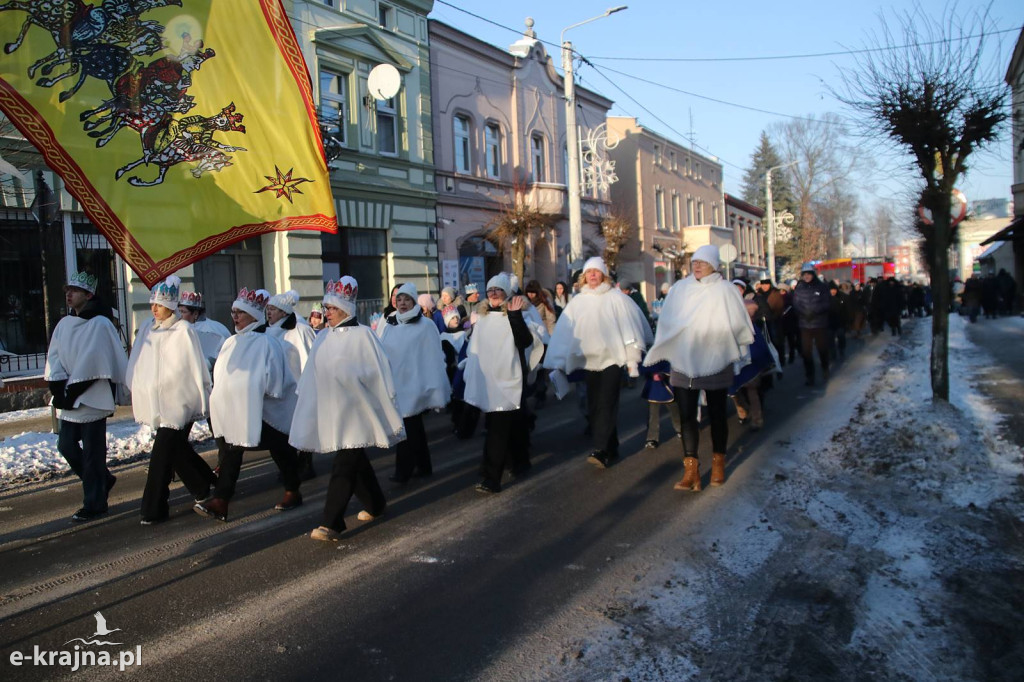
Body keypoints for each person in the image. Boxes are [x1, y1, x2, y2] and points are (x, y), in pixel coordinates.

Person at [289, 277, 403, 543]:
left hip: (357, 411)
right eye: (326, 308)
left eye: (331, 308)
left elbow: (379, 371)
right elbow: (312, 373)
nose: (326, 313)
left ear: (345, 309)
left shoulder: (364, 336)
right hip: (334, 411)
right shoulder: (322, 337)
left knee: (344, 463)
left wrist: (380, 396)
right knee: (354, 459)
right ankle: (375, 503)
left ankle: (332, 522)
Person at [644, 244, 754, 491]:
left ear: (714, 265)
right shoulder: (680, 288)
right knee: (686, 415)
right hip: (684, 360)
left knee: (717, 413)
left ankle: (718, 463)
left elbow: (738, 322)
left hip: (716, 359)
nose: (697, 266)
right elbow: (667, 319)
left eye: (702, 262)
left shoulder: (725, 290)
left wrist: (732, 345)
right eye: (694, 262)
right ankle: (691, 470)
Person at [194, 288, 303, 522]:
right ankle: (221, 501)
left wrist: (253, 393)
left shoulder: (267, 343)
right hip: (240, 411)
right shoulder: (230, 342)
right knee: (233, 450)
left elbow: (275, 381)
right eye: (233, 311)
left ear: (254, 316)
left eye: (240, 312)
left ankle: (293, 490)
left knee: (281, 450)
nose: (235, 316)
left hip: (268, 412)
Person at [544, 256, 653, 468]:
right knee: (594, 404)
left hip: (612, 360)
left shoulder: (616, 298)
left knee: (607, 401)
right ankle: (611, 446)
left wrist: (632, 358)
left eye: (596, 271)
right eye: (589, 272)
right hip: (589, 361)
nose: (592, 275)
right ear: (584, 277)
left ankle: (601, 449)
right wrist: (558, 361)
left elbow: (630, 327)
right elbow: (565, 332)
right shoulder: (578, 302)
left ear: (603, 275)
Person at [126, 275, 217, 525]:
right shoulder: (148, 329)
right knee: (175, 449)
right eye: (152, 303)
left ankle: (153, 507)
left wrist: (196, 395)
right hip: (156, 402)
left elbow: (194, 366)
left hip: (177, 401)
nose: (154, 309)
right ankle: (204, 485)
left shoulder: (183, 330)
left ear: (171, 305)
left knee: (161, 453)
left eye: (159, 304)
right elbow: (139, 361)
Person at [44, 272, 128, 522]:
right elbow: (54, 356)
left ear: (89, 295)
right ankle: (102, 481)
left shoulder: (101, 323)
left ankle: (95, 503)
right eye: (67, 290)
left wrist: (74, 390)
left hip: (92, 397)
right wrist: (58, 388)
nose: (69, 294)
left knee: (93, 454)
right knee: (66, 445)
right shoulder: (64, 324)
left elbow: (95, 360)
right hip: (68, 397)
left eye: (75, 291)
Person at [462, 273, 535, 493]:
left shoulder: (514, 314)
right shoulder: (482, 318)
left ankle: (491, 477)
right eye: (490, 290)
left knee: (498, 430)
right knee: (507, 426)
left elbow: (525, 341)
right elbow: (475, 349)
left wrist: (515, 316)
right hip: (489, 382)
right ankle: (520, 462)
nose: (494, 294)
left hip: (508, 380)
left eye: (498, 290)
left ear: (506, 293)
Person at [377, 282, 450, 483]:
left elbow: (433, 356)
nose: (402, 303)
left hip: (416, 384)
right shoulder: (391, 324)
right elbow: (383, 351)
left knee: (407, 427)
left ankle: (403, 471)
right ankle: (424, 465)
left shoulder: (425, 325)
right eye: (399, 299)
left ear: (414, 301)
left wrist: (433, 387)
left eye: (406, 299)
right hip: (398, 383)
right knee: (414, 427)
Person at [266, 289, 318, 479]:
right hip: (279, 389)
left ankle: (304, 465)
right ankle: (288, 468)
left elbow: (311, 357)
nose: (268, 312)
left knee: (302, 429)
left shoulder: (301, 330)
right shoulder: (266, 331)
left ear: (283, 312)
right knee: (279, 432)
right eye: (268, 308)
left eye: (273, 309)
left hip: (298, 387)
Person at [792, 262, 832, 386]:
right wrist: (804, 313)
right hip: (805, 324)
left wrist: (814, 312)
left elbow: (827, 303)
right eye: (805, 274)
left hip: (819, 324)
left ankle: (825, 368)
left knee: (822, 349)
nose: (807, 276)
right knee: (806, 352)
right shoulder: (799, 288)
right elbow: (796, 303)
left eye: (809, 274)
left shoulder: (822, 287)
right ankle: (810, 375)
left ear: (813, 274)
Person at [178, 290, 230, 370]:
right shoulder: (177, 328)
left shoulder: (215, 329)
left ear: (195, 313)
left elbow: (226, 354)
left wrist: (209, 364)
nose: (180, 315)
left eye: (183, 312)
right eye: (179, 311)